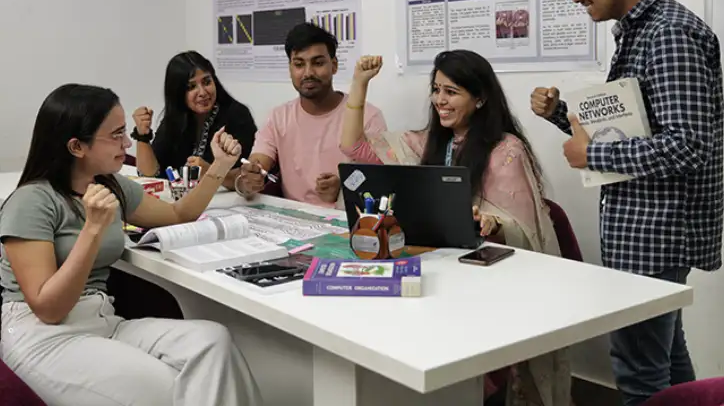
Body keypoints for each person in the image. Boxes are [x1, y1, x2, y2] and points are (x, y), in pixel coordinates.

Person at [530, 0, 724, 406]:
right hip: (641, 233)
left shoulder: (669, 34)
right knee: (670, 367)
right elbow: (635, 128)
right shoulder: (640, 31)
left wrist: (593, 152)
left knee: (639, 376)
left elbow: (689, 144)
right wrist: (561, 116)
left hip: (655, 237)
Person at [0, 84, 263, 406]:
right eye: (116, 135)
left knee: (212, 341)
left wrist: (220, 165)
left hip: (102, 320)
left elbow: (178, 214)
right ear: (76, 146)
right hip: (42, 334)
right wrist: (92, 229)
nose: (127, 144)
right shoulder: (31, 201)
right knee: (174, 391)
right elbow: (49, 309)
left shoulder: (110, 185)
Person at [341, 52, 570, 405]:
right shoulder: (428, 143)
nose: (440, 100)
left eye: (451, 92)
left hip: (490, 288)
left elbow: (526, 231)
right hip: (444, 275)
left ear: (480, 99)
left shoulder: (506, 150)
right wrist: (359, 83)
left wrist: (493, 223)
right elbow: (353, 146)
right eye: (436, 90)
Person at [239, 23, 386, 207]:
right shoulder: (278, 117)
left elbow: (381, 179)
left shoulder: (368, 116)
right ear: (290, 68)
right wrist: (248, 179)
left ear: (334, 65)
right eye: (299, 64)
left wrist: (344, 188)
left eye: (318, 63)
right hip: (293, 217)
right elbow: (257, 165)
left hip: (346, 217)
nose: (308, 73)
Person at [133, 51, 257, 191]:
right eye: (191, 87)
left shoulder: (237, 115)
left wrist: (211, 171)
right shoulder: (176, 118)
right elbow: (151, 175)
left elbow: (249, 179)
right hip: (184, 200)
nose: (202, 92)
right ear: (177, 93)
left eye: (207, 82)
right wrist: (142, 136)